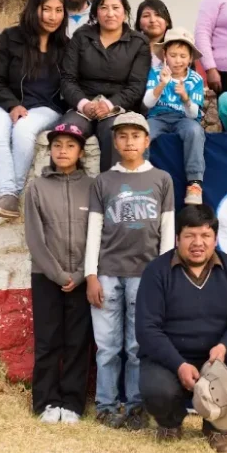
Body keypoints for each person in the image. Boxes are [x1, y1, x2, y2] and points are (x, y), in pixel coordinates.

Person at [137, 204, 227, 453]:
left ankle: (217, 428)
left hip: (217, 360)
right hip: (171, 361)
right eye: (190, 235)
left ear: (215, 239)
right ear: (177, 238)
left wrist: (224, 347)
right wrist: (179, 364)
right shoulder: (156, 271)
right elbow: (147, 329)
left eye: (205, 235)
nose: (198, 243)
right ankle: (170, 424)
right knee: (155, 388)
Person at [84, 112, 175, 430]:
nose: (129, 142)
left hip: (146, 275)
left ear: (147, 141)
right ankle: (106, 405)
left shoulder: (162, 179)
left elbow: (167, 230)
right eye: (122, 136)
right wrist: (90, 275)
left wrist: (163, 274)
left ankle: (136, 406)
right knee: (107, 347)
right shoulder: (103, 181)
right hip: (108, 272)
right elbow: (94, 230)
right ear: (114, 141)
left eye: (136, 136)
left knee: (138, 346)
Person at [24, 123, 95, 424]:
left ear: (81, 152)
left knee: (78, 342)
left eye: (70, 145)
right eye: (57, 145)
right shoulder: (37, 188)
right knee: (48, 340)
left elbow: (98, 234)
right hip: (46, 276)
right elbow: (34, 237)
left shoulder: (93, 187)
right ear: (50, 151)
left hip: (82, 276)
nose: (62, 151)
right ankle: (46, 401)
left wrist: (79, 274)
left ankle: (73, 403)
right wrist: (57, 274)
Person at [0, 0, 69, 219]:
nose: (53, 17)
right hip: (7, 103)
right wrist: (12, 105)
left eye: (59, 10)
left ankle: (11, 194)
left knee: (23, 129)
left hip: (46, 108)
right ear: (34, 9)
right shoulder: (11, 38)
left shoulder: (65, 46)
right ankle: (9, 194)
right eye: (46, 9)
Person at [60, 0, 152, 173]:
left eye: (115, 8)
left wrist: (109, 105)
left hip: (117, 107)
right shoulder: (82, 36)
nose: (110, 13)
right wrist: (84, 104)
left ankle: (111, 187)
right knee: (68, 132)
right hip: (83, 104)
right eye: (103, 8)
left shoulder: (138, 43)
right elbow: (67, 78)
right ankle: (65, 186)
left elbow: (136, 85)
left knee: (115, 132)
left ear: (125, 12)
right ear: (95, 12)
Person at [143, 27, 207, 205]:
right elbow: (148, 103)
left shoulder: (195, 79)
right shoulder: (156, 73)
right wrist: (161, 85)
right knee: (143, 131)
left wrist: (185, 97)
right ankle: (141, 174)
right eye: (173, 55)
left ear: (190, 58)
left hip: (183, 119)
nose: (178, 60)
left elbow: (193, 114)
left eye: (183, 56)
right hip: (158, 116)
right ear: (164, 55)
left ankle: (194, 182)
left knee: (195, 131)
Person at [135, 0, 172, 68]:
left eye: (158, 15)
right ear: (139, 23)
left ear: (167, 21)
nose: (152, 20)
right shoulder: (132, 48)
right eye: (146, 16)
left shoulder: (176, 46)